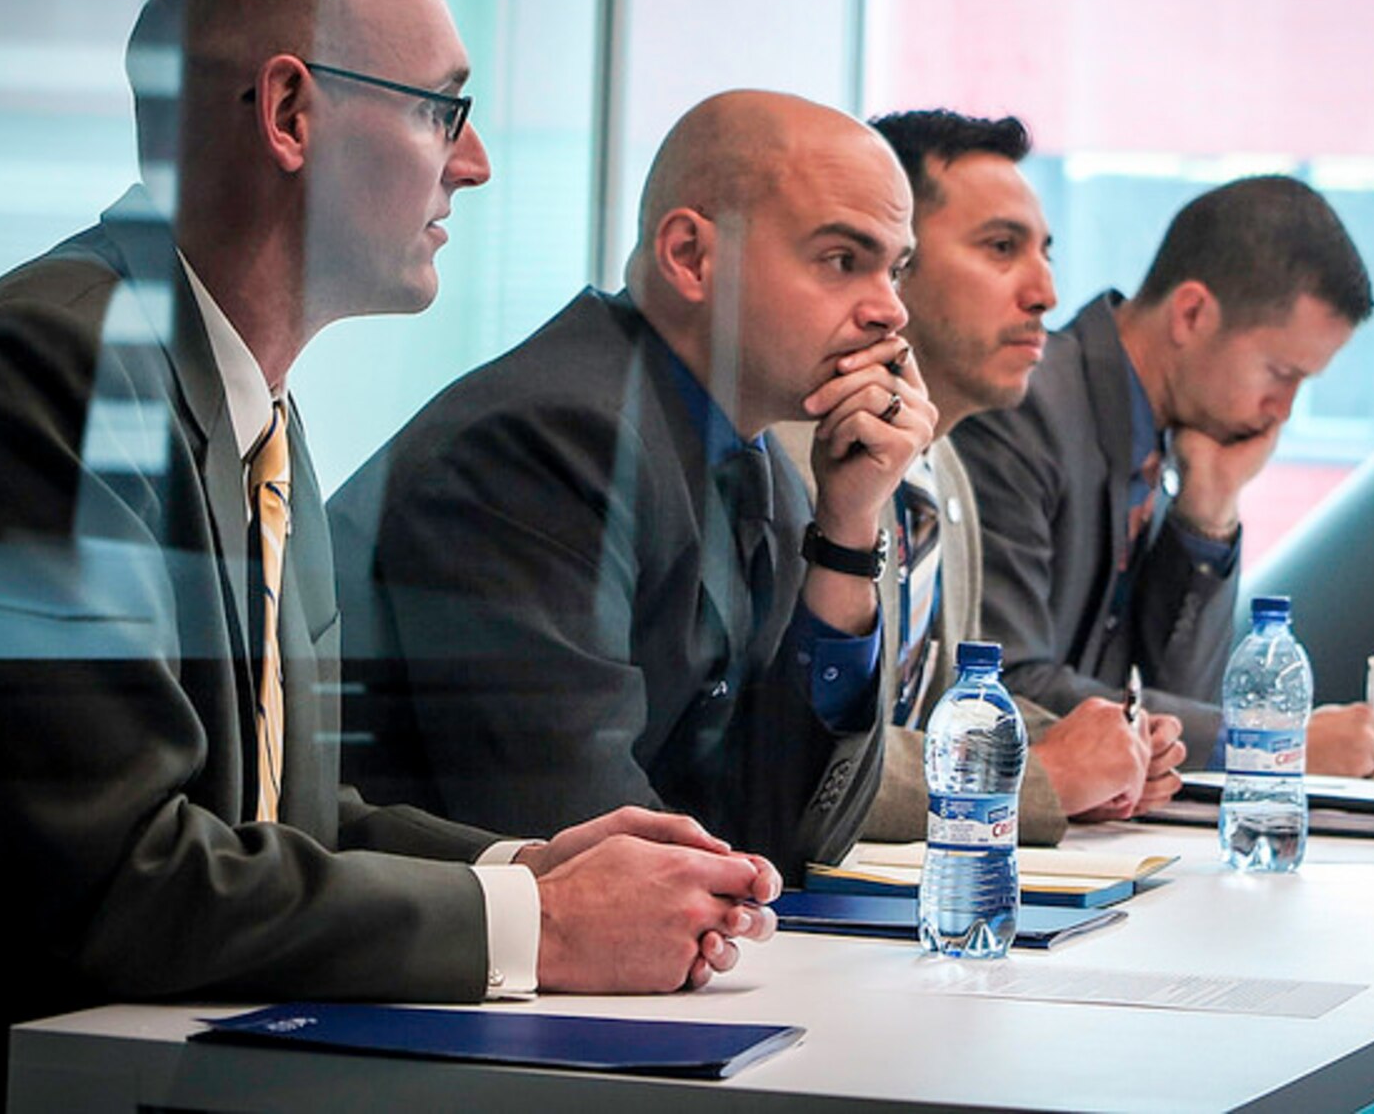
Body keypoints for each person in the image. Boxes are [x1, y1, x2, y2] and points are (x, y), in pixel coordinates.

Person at [0, 0, 776, 1106]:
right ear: (290, 114)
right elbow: (118, 879)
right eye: (440, 111)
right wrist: (542, 923)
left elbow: (281, 819)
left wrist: (523, 859)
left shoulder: (243, 393)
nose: (472, 164)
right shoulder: (44, 363)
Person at [329, 89, 934, 873]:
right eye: (843, 261)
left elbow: (797, 834)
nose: (890, 311)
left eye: (897, 269)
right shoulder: (547, 441)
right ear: (689, 256)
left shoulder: (765, 469)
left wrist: (849, 533)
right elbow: (589, 843)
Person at [779, 109, 1186, 844]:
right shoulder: (791, 460)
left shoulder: (947, 470)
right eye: (1002, 248)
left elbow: (930, 713)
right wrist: (1039, 775)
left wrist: (1102, 742)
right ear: (896, 261)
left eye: (1045, 253)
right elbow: (801, 756)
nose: (1046, 293)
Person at [952, 174, 1374, 776]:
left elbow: (1179, 697)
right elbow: (1007, 684)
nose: (1284, 410)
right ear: (1191, 313)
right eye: (1279, 372)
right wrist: (1263, 743)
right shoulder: (1024, 405)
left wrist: (1208, 510)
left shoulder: (1165, 438)